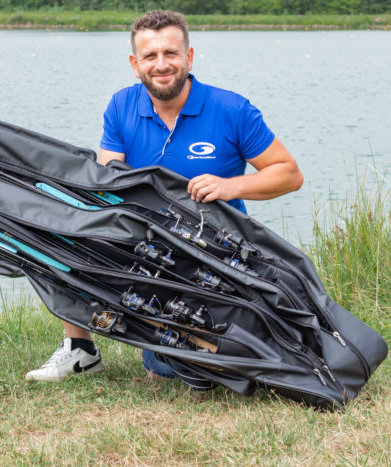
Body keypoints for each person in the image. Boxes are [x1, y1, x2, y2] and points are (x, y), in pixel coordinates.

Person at [26, 10, 303, 382]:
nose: (161, 65)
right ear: (134, 64)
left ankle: (181, 346)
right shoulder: (121, 106)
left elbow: (289, 174)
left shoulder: (232, 108)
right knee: (56, 231)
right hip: (147, 248)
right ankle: (80, 349)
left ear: (189, 57)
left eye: (171, 53)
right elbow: (107, 180)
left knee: (170, 368)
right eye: (150, 56)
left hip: (214, 254)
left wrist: (229, 186)